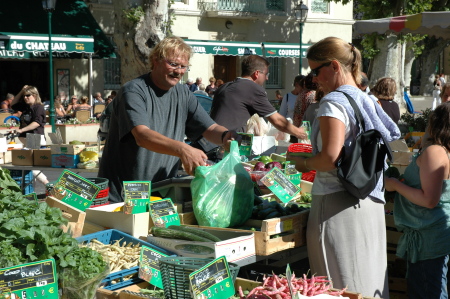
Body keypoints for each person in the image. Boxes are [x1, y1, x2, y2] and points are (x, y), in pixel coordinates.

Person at [287, 37, 396, 298]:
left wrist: (300, 163)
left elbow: (329, 158)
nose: (313, 78)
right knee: (367, 282)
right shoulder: (366, 98)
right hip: (369, 200)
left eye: (316, 70)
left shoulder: (333, 103)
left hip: (337, 206)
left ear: (335, 66)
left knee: (337, 286)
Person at [98, 36, 236, 203]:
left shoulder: (184, 94)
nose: (178, 71)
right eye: (173, 64)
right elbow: (142, 136)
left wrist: (227, 137)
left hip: (162, 192)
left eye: (183, 66)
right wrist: (183, 149)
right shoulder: (134, 91)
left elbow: (209, 128)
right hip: (124, 195)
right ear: (155, 60)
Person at [385, 102, 450, 298]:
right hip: (434, 235)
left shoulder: (436, 152)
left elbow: (429, 200)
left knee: (428, 292)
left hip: (428, 238)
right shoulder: (440, 150)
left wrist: (395, 184)